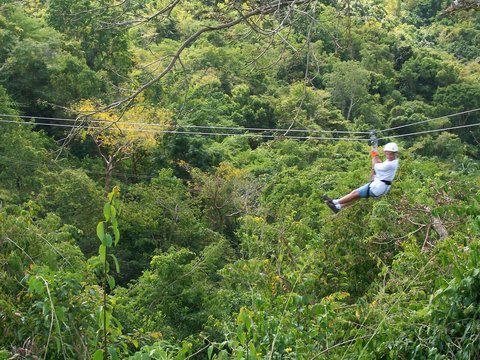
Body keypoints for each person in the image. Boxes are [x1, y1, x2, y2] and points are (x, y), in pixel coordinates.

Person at [323, 142, 399, 213]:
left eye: (391, 154)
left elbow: (375, 165)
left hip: (377, 187)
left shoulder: (390, 164)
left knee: (354, 193)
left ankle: (335, 202)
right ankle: (338, 207)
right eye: (387, 154)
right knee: (357, 196)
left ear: (395, 154)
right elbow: (379, 162)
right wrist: (374, 152)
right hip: (380, 187)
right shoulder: (392, 161)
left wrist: (373, 155)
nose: (389, 156)